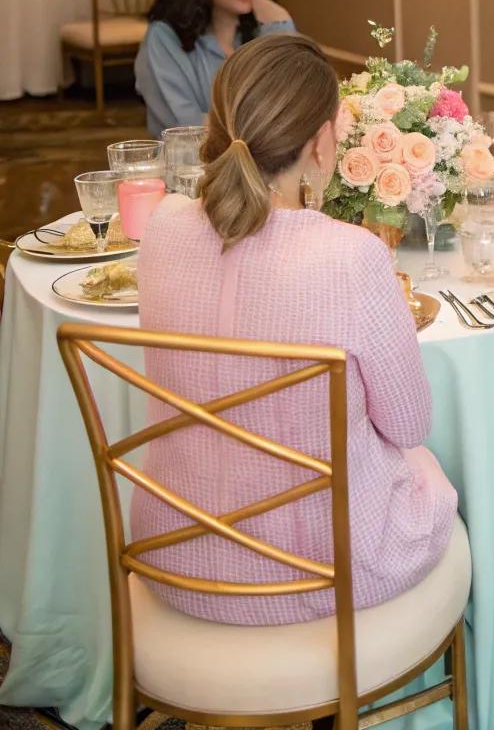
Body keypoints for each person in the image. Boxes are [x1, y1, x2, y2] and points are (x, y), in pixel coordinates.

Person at [132, 32, 459, 624]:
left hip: (175, 557)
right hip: (320, 574)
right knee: (439, 484)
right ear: (320, 139)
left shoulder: (163, 227)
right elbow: (409, 425)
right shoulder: (349, 254)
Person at [135, 0, 294, 135]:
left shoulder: (272, 23)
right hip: (191, 167)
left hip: (268, 165)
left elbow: (296, 109)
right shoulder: (164, 39)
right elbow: (186, 129)